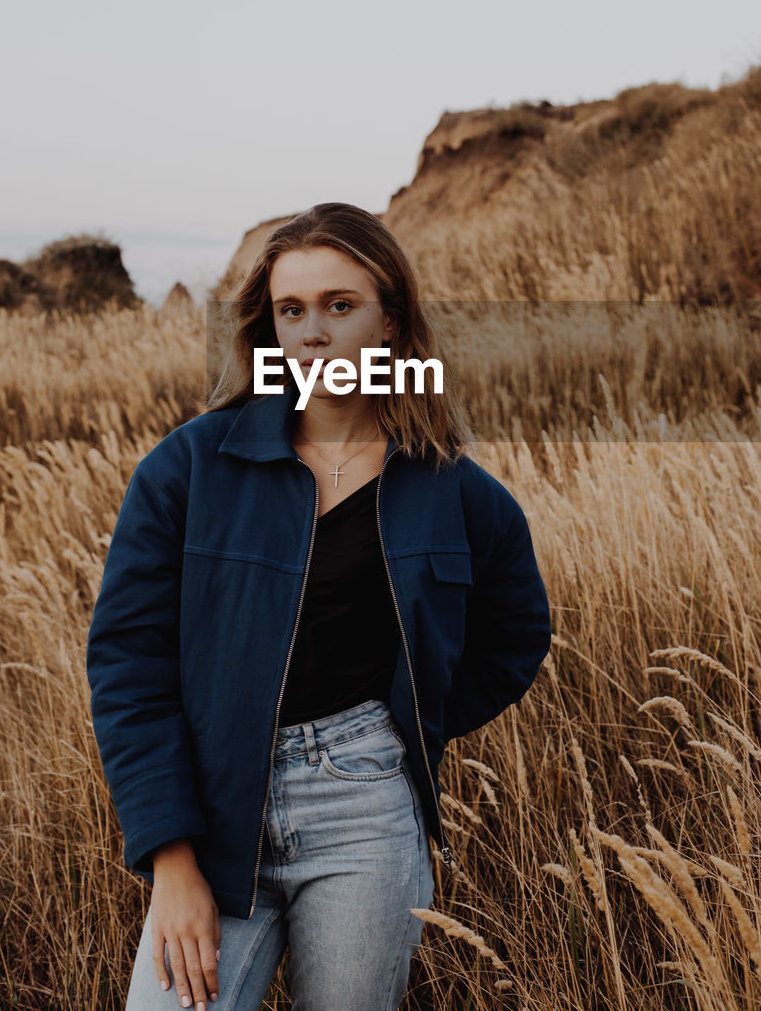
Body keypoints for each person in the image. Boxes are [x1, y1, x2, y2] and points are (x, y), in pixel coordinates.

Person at [86, 202, 552, 1011]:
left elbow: (516, 639)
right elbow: (128, 661)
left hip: (364, 806)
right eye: (291, 310)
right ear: (267, 328)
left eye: (340, 306)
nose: (313, 331)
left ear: (392, 321)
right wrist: (171, 859)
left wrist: (405, 721)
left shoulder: (460, 494)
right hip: (214, 799)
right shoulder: (189, 468)